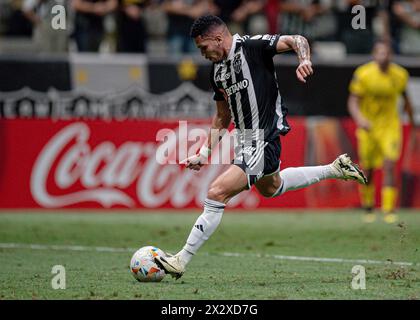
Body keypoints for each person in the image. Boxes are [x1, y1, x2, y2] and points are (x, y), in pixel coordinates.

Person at [155, 15, 367, 279]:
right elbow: (223, 116)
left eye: (203, 48)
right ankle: (335, 168)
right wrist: (204, 153)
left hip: (263, 137)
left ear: (218, 38)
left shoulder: (252, 46)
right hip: (245, 140)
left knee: (216, 192)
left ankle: (181, 259)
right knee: (271, 187)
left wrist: (304, 59)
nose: (203, 54)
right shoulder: (218, 72)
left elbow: (297, 39)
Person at [347, 40, 415, 224]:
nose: (383, 57)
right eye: (380, 53)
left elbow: (406, 98)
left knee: (389, 164)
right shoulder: (363, 74)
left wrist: (413, 122)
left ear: (391, 55)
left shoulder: (400, 74)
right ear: (374, 55)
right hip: (368, 126)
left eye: (386, 53)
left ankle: (388, 209)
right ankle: (368, 206)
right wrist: (360, 119)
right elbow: (353, 101)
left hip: (390, 126)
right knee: (368, 168)